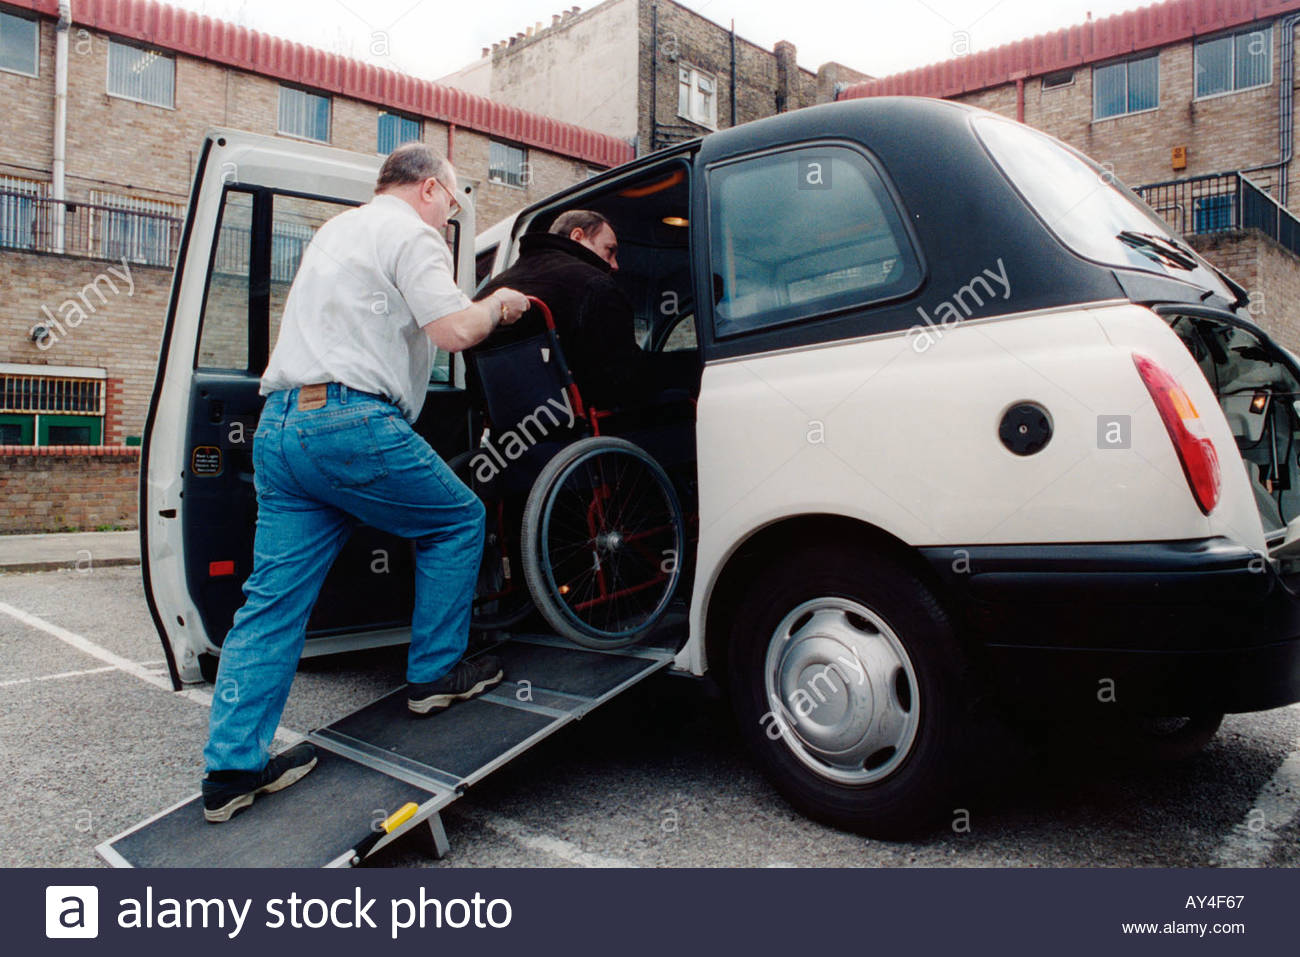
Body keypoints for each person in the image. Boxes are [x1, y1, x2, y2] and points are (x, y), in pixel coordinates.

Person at [200, 143, 531, 824]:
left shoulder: (336, 232)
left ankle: (232, 770)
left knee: (270, 604)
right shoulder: (412, 232)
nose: (448, 221)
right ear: (434, 190)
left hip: (281, 429)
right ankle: (436, 674)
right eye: (452, 207)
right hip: (349, 424)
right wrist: (498, 305)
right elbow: (453, 329)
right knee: (457, 520)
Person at [476, 210, 695, 411]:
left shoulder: (486, 295)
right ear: (577, 236)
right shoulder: (595, 286)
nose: (616, 265)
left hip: (513, 436)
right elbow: (626, 380)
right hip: (593, 429)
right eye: (610, 251)